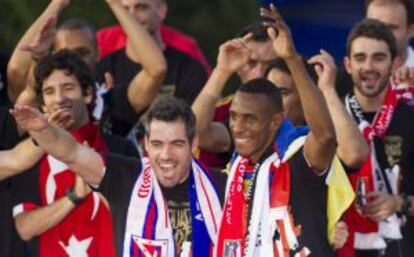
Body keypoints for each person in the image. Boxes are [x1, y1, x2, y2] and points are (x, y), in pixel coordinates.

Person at [11, 95, 226, 257]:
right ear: (146, 146)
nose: (166, 155)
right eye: (157, 144)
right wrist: (42, 130)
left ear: (194, 144)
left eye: (177, 144)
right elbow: (72, 153)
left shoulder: (224, 185)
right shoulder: (126, 176)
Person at [210, 4, 336, 256]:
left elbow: (325, 136)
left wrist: (291, 58)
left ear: (276, 120)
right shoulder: (236, 169)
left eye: (250, 119)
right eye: (234, 117)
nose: (238, 127)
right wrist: (222, 70)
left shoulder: (297, 155)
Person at [10, 50, 138, 257]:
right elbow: (25, 227)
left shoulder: (119, 148)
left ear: (88, 93)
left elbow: (138, 213)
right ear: (42, 104)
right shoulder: (32, 156)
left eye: (68, 88)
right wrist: (74, 197)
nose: (59, 99)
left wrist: (99, 180)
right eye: (49, 92)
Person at [337, 19, 414, 257]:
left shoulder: (410, 118)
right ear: (348, 65)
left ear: (395, 63)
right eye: (360, 58)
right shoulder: (332, 120)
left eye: (379, 58)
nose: (368, 66)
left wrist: (398, 203)